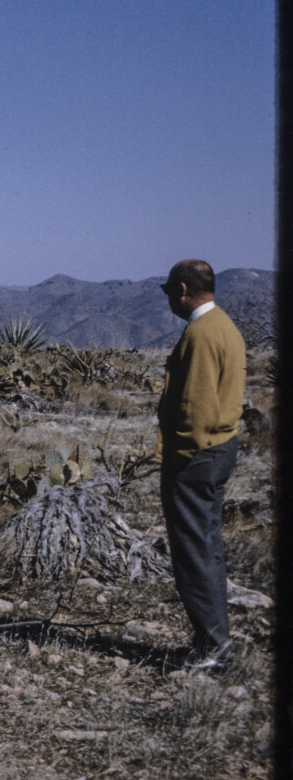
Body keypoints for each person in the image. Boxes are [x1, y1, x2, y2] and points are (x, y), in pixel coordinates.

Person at [155, 259, 246, 673]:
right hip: (219, 448)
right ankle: (214, 643)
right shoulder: (223, 326)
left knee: (194, 552)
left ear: (184, 290)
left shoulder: (201, 333)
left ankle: (213, 652)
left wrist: (181, 455)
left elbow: (195, 406)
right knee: (205, 547)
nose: (171, 299)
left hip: (197, 455)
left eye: (170, 291)